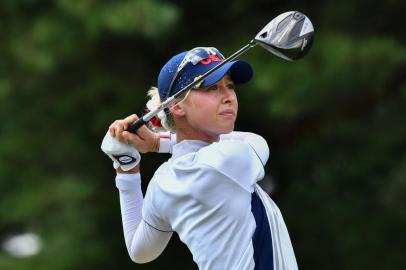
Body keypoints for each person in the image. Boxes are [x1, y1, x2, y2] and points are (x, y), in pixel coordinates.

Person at [102, 47, 298, 270]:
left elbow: (140, 251)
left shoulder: (163, 181)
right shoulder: (230, 159)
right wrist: (158, 143)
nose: (228, 97)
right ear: (176, 105)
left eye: (230, 86)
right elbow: (257, 141)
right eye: (212, 87)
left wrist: (127, 167)